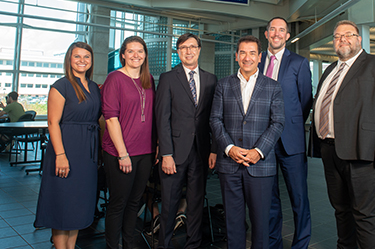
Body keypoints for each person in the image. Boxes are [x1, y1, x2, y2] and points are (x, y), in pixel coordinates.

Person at [309, 20, 375, 249]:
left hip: (364, 150)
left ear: (359, 39)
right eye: (337, 36)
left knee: (366, 213)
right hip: (331, 149)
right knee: (341, 209)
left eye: (348, 35)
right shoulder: (330, 70)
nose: (342, 40)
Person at [210, 35, 285, 249]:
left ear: (260, 57)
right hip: (230, 164)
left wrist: (258, 151)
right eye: (242, 52)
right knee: (233, 223)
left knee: (261, 224)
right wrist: (229, 148)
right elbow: (214, 119)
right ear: (236, 56)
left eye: (252, 53)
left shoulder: (273, 87)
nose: (247, 57)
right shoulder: (223, 85)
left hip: (260, 165)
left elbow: (278, 122)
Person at [34, 42, 102, 249]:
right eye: (77, 56)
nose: (82, 60)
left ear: (91, 61)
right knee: (62, 202)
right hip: (66, 148)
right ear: (69, 60)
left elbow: (100, 119)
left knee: (78, 204)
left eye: (86, 57)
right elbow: (53, 122)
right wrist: (61, 155)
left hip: (87, 152)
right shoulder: (60, 86)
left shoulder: (94, 87)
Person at [155, 33, 218, 249]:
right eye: (183, 47)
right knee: (169, 204)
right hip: (174, 153)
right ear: (178, 52)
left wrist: (214, 150)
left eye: (192, 47)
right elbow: (162, 118)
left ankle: (193, 244)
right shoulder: (168, 78)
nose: (188, 51)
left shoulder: (211, 79)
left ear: (199, 50)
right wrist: (166, 154)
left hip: (201, 152)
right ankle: (163, 245)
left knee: (195, 203)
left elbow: (214, 118)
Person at [260, 17, 313, 249]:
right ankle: (273, 243)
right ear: (266, 33)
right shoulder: (256, 59)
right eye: (273, 29)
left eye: (282, 30)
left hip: (291, 140)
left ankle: (300, 244)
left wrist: (287, 124)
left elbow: (305, 101)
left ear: (287, 36)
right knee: (269, 199)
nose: (277, 34)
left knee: (299, 198)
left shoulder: (299, 63)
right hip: (262, 141)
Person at [102, 35, 157, 248]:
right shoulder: (114, 78)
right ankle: (112, 245)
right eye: (131, 51)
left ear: (145, 55)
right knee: (118, 203)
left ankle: (128, 243)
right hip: (120, 152)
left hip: (145, 151)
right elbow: (111, 119)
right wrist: (123, 153)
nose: (136, 55)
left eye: (140, 51)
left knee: (135, 201)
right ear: (123, 55)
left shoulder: (149, 79)